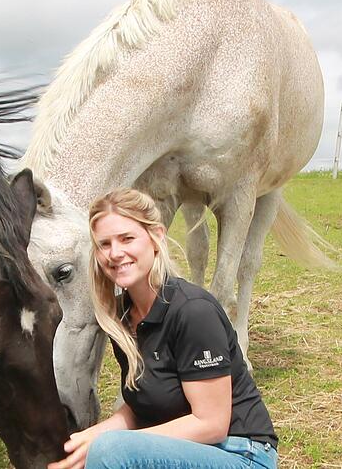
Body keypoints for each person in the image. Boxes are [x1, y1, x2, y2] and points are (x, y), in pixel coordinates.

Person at [48, 188, 278, 469]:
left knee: (111, 452)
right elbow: (141, 406)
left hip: (240, 453)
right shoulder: (122, 317)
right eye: (104, 244)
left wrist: (115, 445)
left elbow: (211, 424)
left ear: (156, 237)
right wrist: (91, 436)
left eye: (127, 238)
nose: (115, 253)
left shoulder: (193, 311)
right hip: (187, 450)